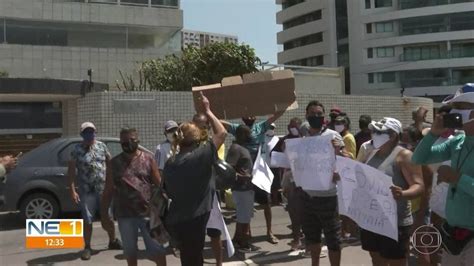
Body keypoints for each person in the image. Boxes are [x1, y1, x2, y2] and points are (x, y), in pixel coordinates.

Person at [412, 84, 474, 265]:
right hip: (454, 234)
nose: (455, 111)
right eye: (455, 107)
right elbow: (419, 158)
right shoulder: (458, 141)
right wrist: (432, 134)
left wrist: (456, 178)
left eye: (462, 107)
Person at [163, 92, 227, 266]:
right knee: (193, 258)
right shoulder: (200, 156)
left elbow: (167, 190)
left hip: (178, 218)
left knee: (189, 257)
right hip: (195, 218)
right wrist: (208, 110)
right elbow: (221, 133)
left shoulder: (171, 162)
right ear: (196, 138)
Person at [359, 118, 424, 266]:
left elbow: (419, 185)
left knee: (396, 262)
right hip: (372, 220)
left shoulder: (404, 156)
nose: (373, 134)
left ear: (393, 135)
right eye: (373, 131)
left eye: (378, 132)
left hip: (395, 222)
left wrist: (403, 194)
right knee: (376, 259)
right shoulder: (370, 154)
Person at [102, 128, 166, 266]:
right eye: (124, 141)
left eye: (131, 140)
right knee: (130, 252)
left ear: (138, 140)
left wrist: (165, 209)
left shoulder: (149, 159)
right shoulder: (114, 163)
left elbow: (159, 185)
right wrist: (103, 214)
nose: (127, 143)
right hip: (125, 216)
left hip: (149, 214)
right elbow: (108, 190)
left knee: (158, 250)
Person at [221, 110, 285, 244]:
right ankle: (246, 233)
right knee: (246, 206)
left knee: (266, 203)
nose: (250, 116)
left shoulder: (261, 127)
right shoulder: (238, 129)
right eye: (246, 114)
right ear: (242, 117)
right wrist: (209, 110)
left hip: (258, 172)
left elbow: (276, 115)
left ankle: (269, 232)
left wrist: (285, 104)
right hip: (244, 174)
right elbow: (220, 123)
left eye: (252, 114)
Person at [298, 100, 346, 265]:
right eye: (313, 114)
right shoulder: (303, 138)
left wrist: (339, 151)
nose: (316, 117)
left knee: (333, 238)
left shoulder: (333, 135)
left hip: (328, 196)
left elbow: (347, 162)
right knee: (312, 236)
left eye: (319, 114)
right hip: (307, 195)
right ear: (307, 115)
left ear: (324, 117)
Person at [67, 122, 122, 260]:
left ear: (95, 133)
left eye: (91, 132)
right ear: (81, 135)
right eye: (86, 132)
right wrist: (73, 190)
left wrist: (112, 185)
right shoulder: (76, 150)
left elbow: (110, 166)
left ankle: (112, 240)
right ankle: (87, 247)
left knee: (108, 218)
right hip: (86, 191)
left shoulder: (102, 146)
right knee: (87, 219)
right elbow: (71, 172)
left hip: (103, 190)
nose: (89, 135)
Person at [193, 112, 226, 266]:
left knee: (214, 233)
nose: (202, 129)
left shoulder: (209, 146)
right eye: (199, 126)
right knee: (195, 238)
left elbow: (222, 132)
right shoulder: (183, 145)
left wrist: (208, 112)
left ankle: (219, 263)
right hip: (191, 199)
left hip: (210, 197)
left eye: (205, 126)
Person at [275, 117, 304, 251]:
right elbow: (276, 156)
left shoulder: (307, 140)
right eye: (291, 126)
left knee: (304, 210)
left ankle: (303, 238)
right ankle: (297, 236)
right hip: (290, 178)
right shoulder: (284, 140)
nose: (293, 128)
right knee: (293, 208)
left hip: (305, 180)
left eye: (295, 126)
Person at [227, 125, 256, 252]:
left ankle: (237, 240)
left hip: (247, 187)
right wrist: (241, 176)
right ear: (241, 135)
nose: (250, 136)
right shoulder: (235, 148)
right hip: (241, 188)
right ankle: (244, 244)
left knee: (243, 216)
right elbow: (228, 168)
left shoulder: (242, 148)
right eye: (248, 133)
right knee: (244, 217)